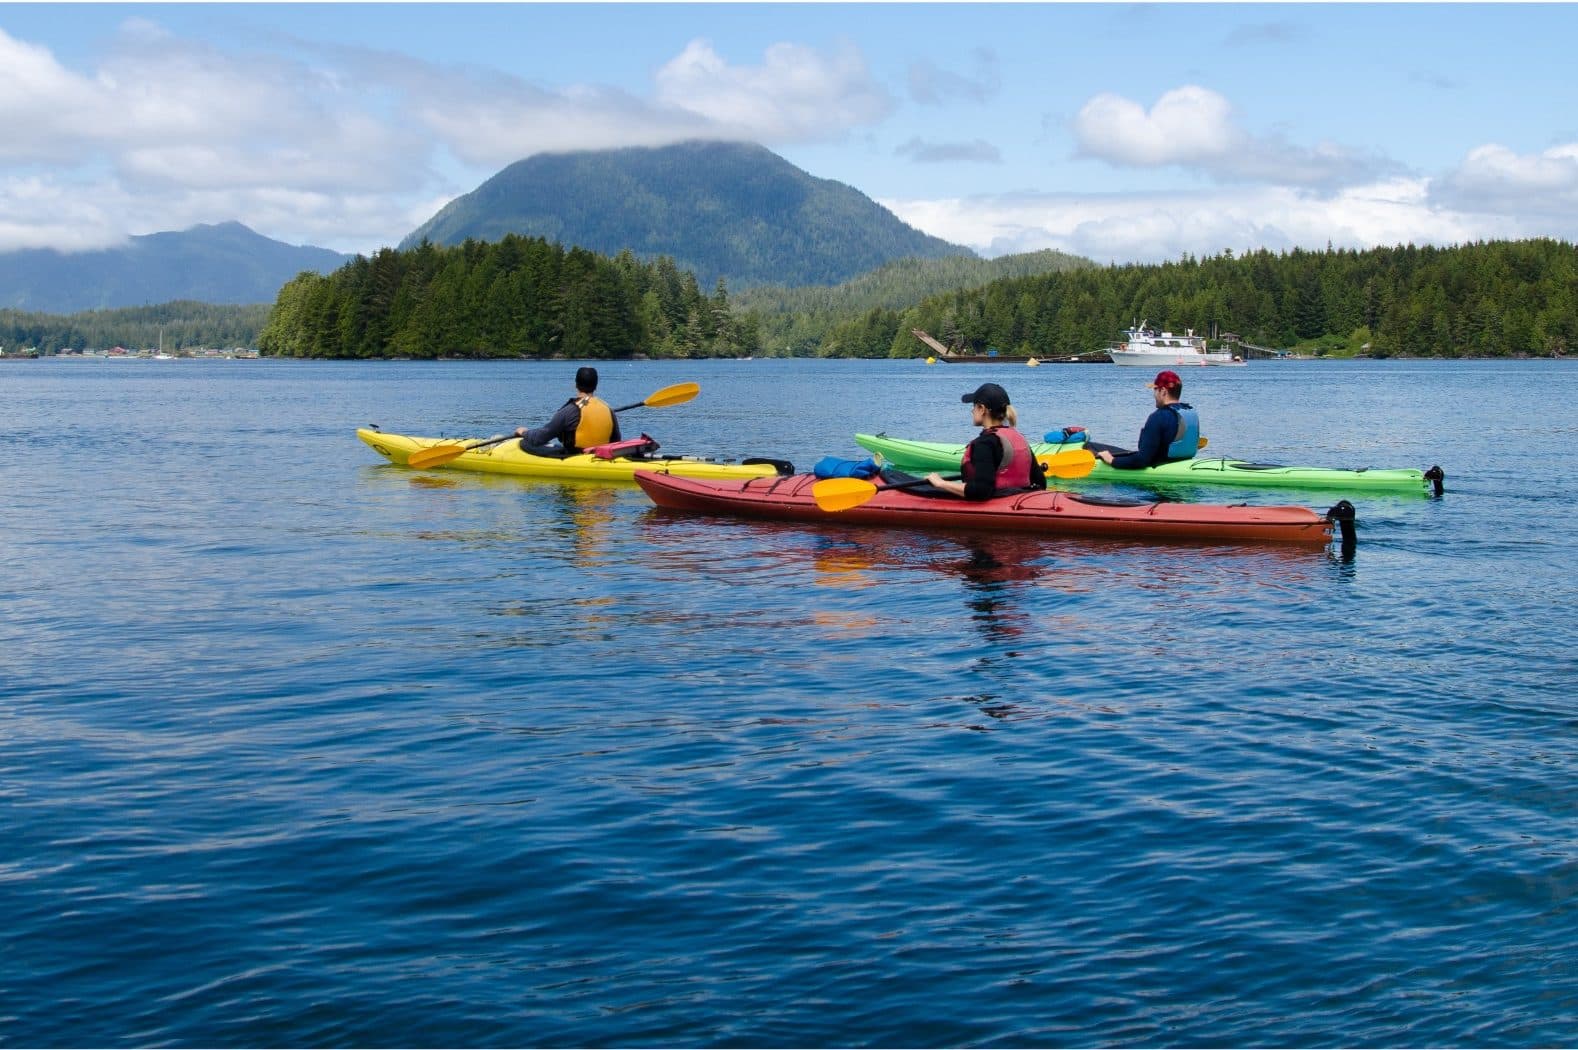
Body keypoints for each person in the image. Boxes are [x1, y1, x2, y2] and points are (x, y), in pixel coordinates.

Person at [924, 382, 1045, 500]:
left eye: (974, 406)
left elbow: (981, 491)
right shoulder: (1019, 438)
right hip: (1018, 502)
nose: (972, 411)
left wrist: (940, 483)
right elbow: (1040, 483)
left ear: (982, 409)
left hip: (999, 508)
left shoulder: (984, 443)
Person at [1085, 369, 1200, 469]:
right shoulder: (1191, 412)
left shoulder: (1158, 416)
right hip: (1180, 460)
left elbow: (1142, 460)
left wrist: (1112, 460)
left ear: (1163, 391)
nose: (1154, 394)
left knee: (1089, 446)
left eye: (1155, 390)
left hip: (1159, 464)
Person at [515, 366, 622, 452]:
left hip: (576, 455)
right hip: (600, 455)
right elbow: (617, 440)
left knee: (524, 443)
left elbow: (539, 438)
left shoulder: (570, 410)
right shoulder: (607, 408)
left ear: (576, 384)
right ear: (596, 386)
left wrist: (524, 432)